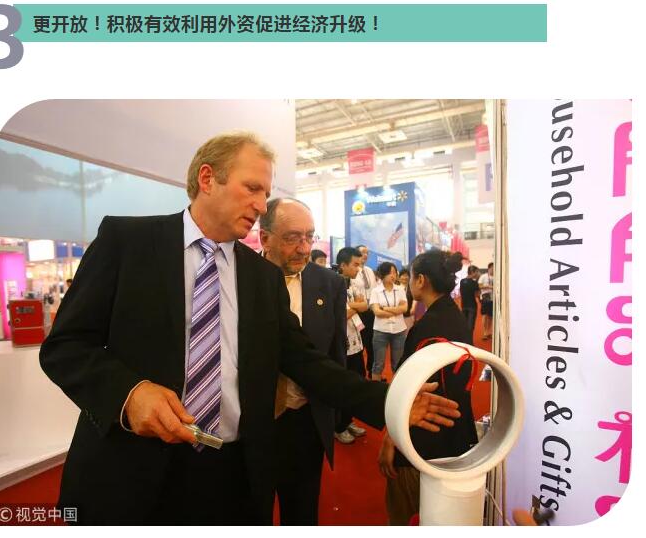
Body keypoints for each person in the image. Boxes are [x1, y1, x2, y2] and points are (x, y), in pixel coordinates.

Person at [39, 131, 461, 525]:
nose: (261, 206)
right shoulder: (127, 242)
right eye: (252, 188)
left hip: (232, 475)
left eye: (266, 194)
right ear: (208, 179)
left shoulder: (261, 277)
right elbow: (66, 346)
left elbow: (305, 361)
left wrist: (388, 401)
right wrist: (129, 394)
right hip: (132, 468)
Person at [259, 197, 347, 525]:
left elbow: (334, 353)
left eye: (310, 236)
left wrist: (337, 410)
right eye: (293, 238)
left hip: (307, 419)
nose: (304, 248)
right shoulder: (240, 276)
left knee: (302, 511)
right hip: (253, 422)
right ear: (264, 238)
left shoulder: (330, 284)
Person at [378, 249, 478, 525]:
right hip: (455, 437)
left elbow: (409, 391)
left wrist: (390, 438)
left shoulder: (427, 329)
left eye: (410, 277)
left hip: (422, 441)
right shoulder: (454, 317)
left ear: (420, 280)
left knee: (409, 515)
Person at [334, 246, 369, 445]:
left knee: (356, 382)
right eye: (355, 264)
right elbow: (339, 315)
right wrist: (354, 307)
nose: (358, 268)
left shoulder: (354, 284)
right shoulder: (332, 284)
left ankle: (348, 421)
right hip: (341, 344)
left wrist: (351, 307)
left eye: (359, 264)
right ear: (343, 265)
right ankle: (338, 426)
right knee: (342, 385)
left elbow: (364, 306)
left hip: (356, 342)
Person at [370, 262, 409, 382]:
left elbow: (404, 308)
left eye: (395, 272)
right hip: (381, 331)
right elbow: (377, 312)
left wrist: (385, 308)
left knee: (397, 364)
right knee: (378, 364)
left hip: (399, 331)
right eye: (390, 272)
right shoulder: (376, 291)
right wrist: (396, 310)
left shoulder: (400, 289)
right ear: (383, 274)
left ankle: (396, 389)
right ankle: (375, 389)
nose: (393, 275)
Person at [353, 245, 378, 378]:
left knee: (372, 343)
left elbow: (374, 290)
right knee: (360, 342)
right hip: (358, 313)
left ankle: (371, 371)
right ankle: (360, 373)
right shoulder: (353, 271)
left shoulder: (369, 271)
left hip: (371, 312)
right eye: (363, 252)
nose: (366, 255)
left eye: (367, 252)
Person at [459, 265, 481, 341]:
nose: (478, 273)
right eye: (477, 272)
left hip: (464, 305)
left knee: (464, 325)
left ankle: (464, 341)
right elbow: (477, 294)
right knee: (470, 326)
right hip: (472, 306)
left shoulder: (462, 281)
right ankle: (469, 342)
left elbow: (461, 292)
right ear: (472, 272)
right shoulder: (474, 283)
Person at [478, 262, 494, 340]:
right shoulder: (483, 276)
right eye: (492, 268)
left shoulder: (497, 277)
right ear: (489, 268)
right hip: (485, 297)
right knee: (485, 315)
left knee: (491, 316)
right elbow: (479, 286)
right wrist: (489, 286)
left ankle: (489, 332)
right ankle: (484, 332)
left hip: (493, 298)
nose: (493, 269)